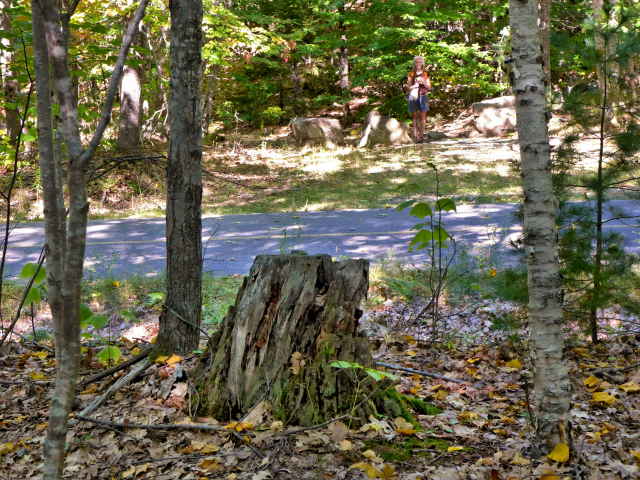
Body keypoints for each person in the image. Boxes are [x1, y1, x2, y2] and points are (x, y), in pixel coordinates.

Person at [407, 56, 431, 144]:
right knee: (414, 117)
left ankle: (421, 137)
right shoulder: (411, 73)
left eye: (419, 62)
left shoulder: (426, 73)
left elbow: (429, 87)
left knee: (423, 117)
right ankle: (416, 136)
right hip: (414, 96)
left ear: (422, 63)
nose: (418, 64)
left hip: (423, 96)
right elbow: (408, 88)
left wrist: (423, 82)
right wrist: (415, 85)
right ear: (414, 63)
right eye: (416, 62)